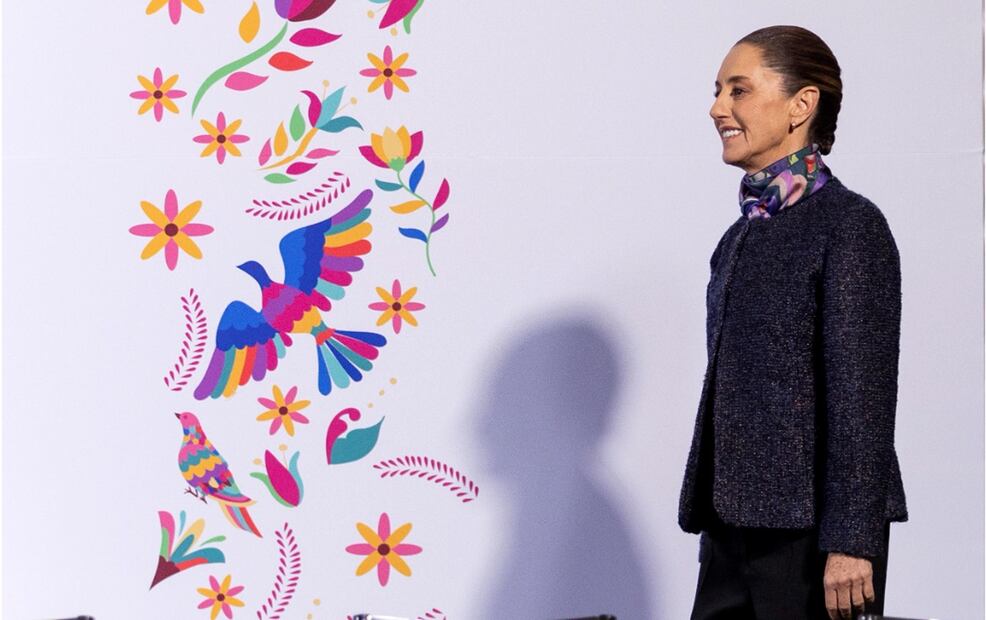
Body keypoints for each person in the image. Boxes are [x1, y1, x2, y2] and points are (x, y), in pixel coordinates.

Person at [676, 25, 909, 620]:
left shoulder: (850, 226)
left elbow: (862, 398)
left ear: (801, 104)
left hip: (815, 542)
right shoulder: (739, 236)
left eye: (739, 90)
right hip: (730, 532)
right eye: (717, 91)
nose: (717, 108)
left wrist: (852, 543)